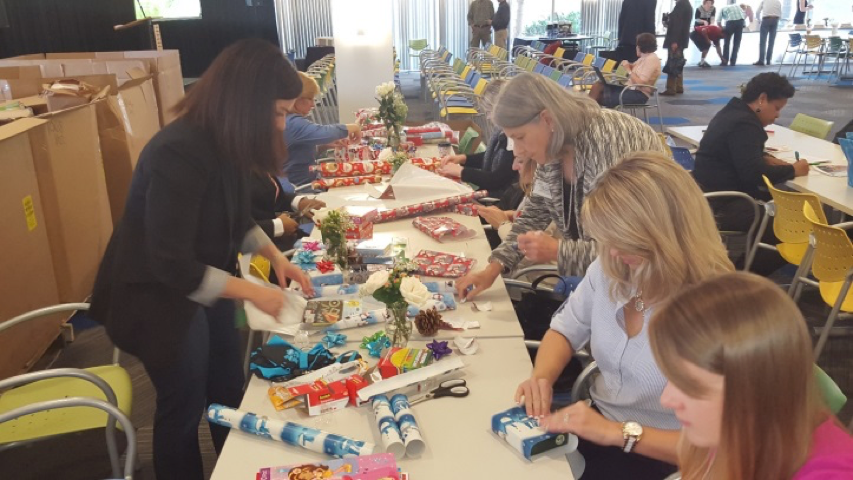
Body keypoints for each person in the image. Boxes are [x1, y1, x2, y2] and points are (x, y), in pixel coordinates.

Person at [89, 39, 316, 480]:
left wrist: (275, 256)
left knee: (227, 387)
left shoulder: (224, 141)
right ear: (246, 102)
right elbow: (171, 263)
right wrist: (254, 291)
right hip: (154, 298)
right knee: (183, 405)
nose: (281, 124)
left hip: (202, 283)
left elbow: (235, 218)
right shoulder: (179, 150)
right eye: (277, 112)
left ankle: (236, 468)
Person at [515, 153, 734, 480]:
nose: (613, 252)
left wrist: (617, 433)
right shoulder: (611, 267)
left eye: (624, 240)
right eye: (607, 239)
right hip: (601, 428)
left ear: (665, 235)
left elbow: (719, 447)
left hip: (666, 455)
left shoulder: (718, 308)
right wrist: (542, 378)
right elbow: (564, 330)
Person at [454, 73, 666, 302]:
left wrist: (558, 251)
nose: (517, 151)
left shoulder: (609, 142)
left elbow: (627, 253)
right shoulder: (556, 143)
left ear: (547, 119)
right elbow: (534, 214)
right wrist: (492, 269)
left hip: (648, 290)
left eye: (520, 137)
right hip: (602, 285)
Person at [649, 272, 853, 479]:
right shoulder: (745, 431)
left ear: (756, 389)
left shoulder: (829, 474)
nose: (666, 400)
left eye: (689, 385)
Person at [692, 72, 809, 275]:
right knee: (790, 227)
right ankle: (743, 276)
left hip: (704, 196)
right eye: (777, 108)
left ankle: (742, 268)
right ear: (762, 99)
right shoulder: (745, 124)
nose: (777, 116)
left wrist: (762, 156)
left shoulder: (733, 112)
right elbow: (754, 175)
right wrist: (793, 170)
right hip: (723, 204)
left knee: (780, 212)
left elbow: (735, 151)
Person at [437, 79, 517, 198]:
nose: (488, 117)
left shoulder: (513, 139)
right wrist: (462, 159)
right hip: (489, 192)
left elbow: (497, 180)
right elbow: (489, 156)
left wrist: (462, 172)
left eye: (490, 111)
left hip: (497, 199)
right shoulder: (501, 132)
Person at [283, 72, 361, 187]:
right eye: (310, 99)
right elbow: (325, 132)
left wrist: (325, 146)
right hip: (302, 188)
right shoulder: (294, 123)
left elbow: (297, 153)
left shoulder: (287, 120)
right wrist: (354, 127)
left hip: (305, 182)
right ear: (296, 99)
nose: (313, 105)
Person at [249, 172, 325, 251]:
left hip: (279, 240)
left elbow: (271, 197)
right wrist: (276, 226)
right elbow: (241, 228)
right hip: (261, 250)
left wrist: (299, 202)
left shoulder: (259, 168)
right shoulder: (241, 174)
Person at [589, 33, 661, 108]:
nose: (636, 47)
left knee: (599, 96)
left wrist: (628, 70)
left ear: (640, 47)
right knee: (598, 85)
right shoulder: (643, 58)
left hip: (638, 95)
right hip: (630, 89)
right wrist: (628, 65)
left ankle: (589, 112)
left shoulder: (651, 60)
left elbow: (640, 83)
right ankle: (590, 112)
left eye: (637, 45)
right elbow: (633, 67)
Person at [662, 0, 693, 96]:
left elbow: (677, 25)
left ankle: (671, 88)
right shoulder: (687, 5)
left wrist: (674, 41)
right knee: (678, 62)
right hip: (682, 39)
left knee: (673, 63)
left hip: (677, 40)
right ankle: (679, 86)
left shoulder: (681, 5)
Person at [694, 0, 725, 67]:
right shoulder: (699, 9)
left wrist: (711, 25)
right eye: (708, 3)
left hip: (709, 28)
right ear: (704, 2)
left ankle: (721, 59)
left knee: (716, 43)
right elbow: (696, 19)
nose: (709, 4)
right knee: (707, 44)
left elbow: (713, 18)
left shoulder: (713, 8)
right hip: (700, 27)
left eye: (710, 3)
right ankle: (702, 61)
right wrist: (703, 21)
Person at [719, 0, 748, 65]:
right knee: (736, 43)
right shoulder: (739, 8)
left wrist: (722, 28)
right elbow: (743, 22)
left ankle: (725, 61)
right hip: (740, 22)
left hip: (730, 23)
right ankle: (733, 62)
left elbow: (718, 21)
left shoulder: (723, 8)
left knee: (727, 42)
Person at [754, 0, 782, 65]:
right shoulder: (778, 1)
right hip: (775, 20)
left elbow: (757, 12)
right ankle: (768, 60)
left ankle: (761, 60)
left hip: (766, 20)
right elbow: (780, 13)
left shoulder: (764, 1)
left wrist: (759, 20)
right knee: (771, 42)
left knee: (763, 41)